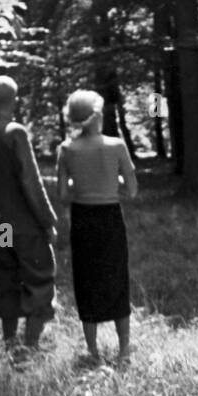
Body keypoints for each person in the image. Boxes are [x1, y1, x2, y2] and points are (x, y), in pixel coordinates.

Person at [0, 75, 58, 352]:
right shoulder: (15, 132)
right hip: (24, 224)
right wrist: (48, 221)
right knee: (37, 277)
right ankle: (31, 347)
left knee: (7, 274)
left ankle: (10, 343)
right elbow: (31, 182)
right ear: (14, 101)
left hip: (1, 223)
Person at [55, 91, 138, 365]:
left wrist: (79, 184)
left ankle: (93, 351)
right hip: (110, 217)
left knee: (86, 279)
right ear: (97, 116)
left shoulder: (66, 150)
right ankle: (124, 348)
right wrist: (110, 184)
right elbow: (132, 190)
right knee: (116, 276)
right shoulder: (116, 146)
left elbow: (63, 195)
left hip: (82, 219)